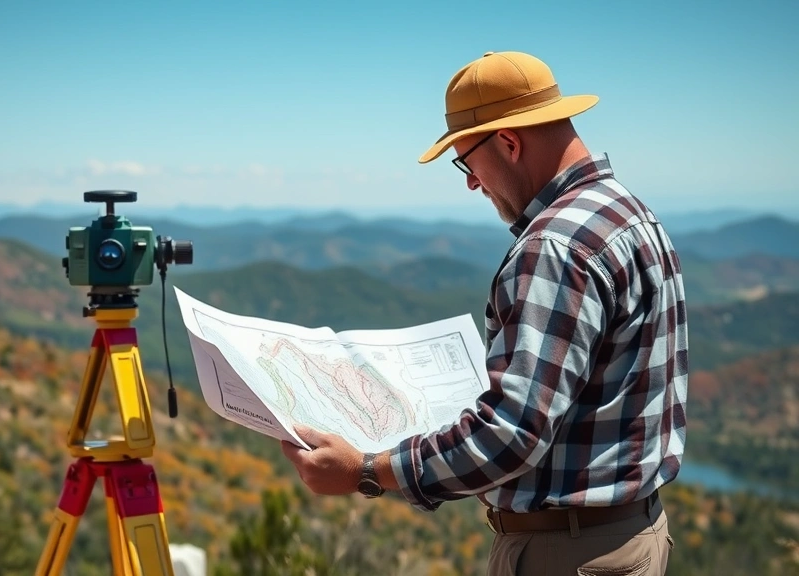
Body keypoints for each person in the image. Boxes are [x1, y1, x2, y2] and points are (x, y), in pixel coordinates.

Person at [280, 50, 688, 576]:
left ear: (509, 143)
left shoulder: (555, 247)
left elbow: (510, 434)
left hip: (568, 553)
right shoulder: (629, 213)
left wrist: (366, 470)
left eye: (466, 161)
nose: (471, 182)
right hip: (632, 534)